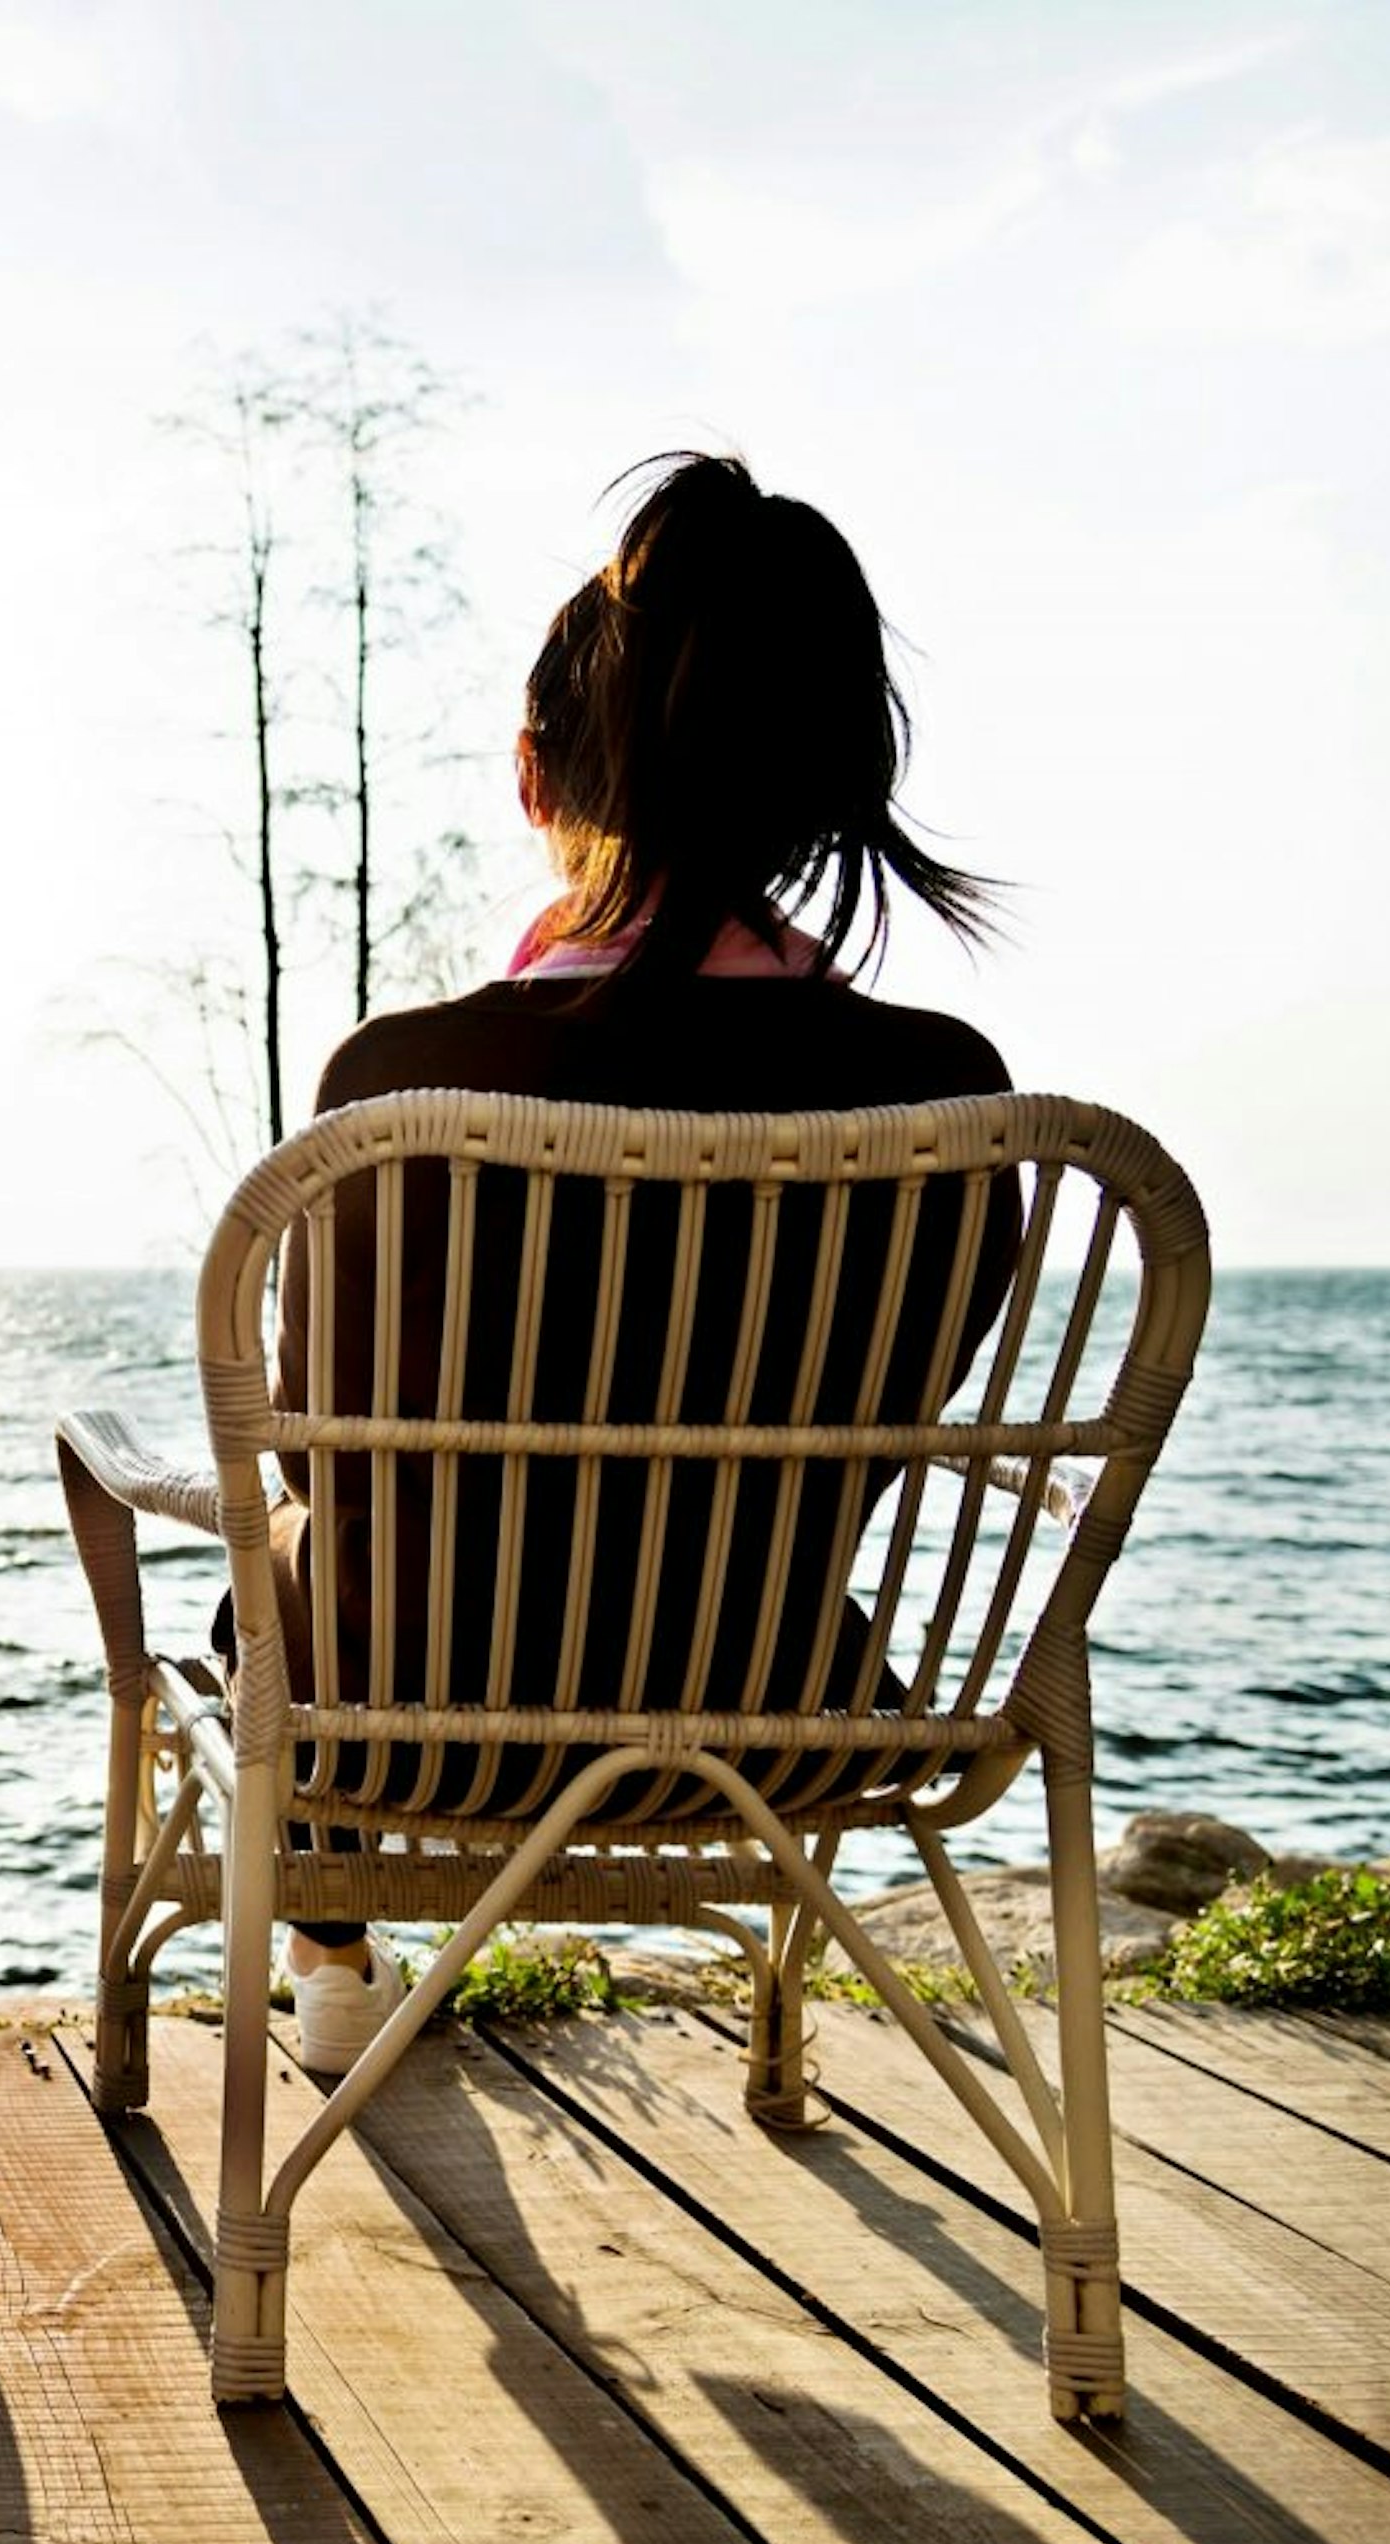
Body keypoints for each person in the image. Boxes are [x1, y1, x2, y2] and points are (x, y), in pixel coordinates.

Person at [265, 451, 1020, 2072]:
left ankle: (334, 1954)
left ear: (537, 779)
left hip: (413, 1720)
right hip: (772, 1711)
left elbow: (321, 1439)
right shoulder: (949, 1096)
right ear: (818, 774)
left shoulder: (402, 1090)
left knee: (283, 1537)